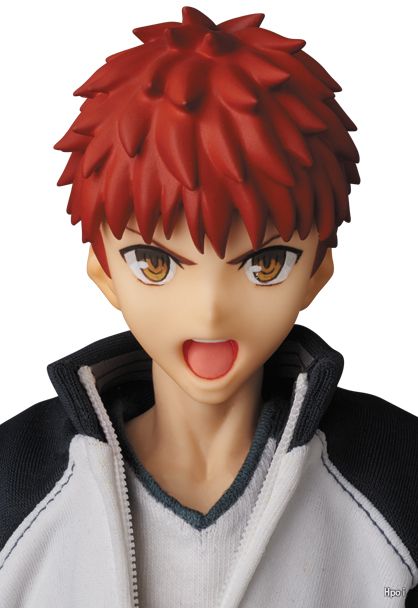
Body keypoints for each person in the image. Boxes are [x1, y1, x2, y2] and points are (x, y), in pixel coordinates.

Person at [0, 6, 417, 607]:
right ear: (104, 273)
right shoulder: (16, 484)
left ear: (317, 273)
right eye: (155, 263)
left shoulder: (398, 477)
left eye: (264, 264)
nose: (211, 311)